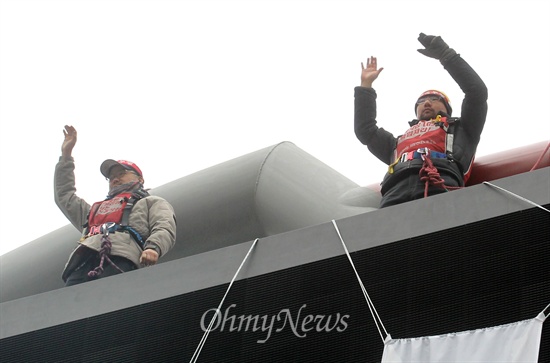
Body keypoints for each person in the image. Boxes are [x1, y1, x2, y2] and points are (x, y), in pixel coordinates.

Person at [354, 33, 488, 208]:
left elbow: (476, 92)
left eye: (434, 99)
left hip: (440, 180)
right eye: (421, 101)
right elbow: (366, 131)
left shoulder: (463, 129)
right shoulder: (396, 143)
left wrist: (446, 55)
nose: (426, 102)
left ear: (446, 108)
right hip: (394, 188)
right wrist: (366, 87)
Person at [54, 125, 177, 286]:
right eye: (111, 177)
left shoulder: (151, 202)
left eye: (121, 173)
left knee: (113, 301)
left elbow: (164, 227)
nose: (115, 179)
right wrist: (66, 156)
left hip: (123, 258)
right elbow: (64, 196)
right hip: (83, 261)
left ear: (140, 179)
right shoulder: (93, 211)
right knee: (73, 306)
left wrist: (153, 248)